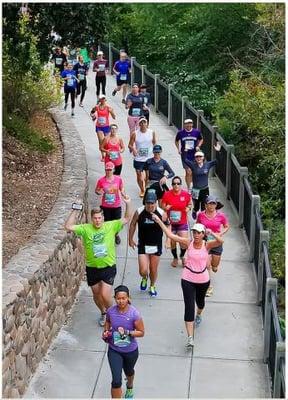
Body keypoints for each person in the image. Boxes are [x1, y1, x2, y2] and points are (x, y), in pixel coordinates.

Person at [152, 217, 223, 348]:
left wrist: (211, 232)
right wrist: (158, 221)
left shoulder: (207, 245)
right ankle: (190, 338)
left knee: (200, 302)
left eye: (199, 233)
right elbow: (170, 235)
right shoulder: (188, 242)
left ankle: (199, 313)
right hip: (187, 279)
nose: (196, 235)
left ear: (203, 234)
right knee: (189, 306)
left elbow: (220, 241)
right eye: (194, 232)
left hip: (203, 280)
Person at [64, 199, 132, 327]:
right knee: (96, 294)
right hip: (92, 267)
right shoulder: (85, 229)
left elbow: (127, 218)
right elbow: (68, 226)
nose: (97, 220)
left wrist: (128, 203)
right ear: (91, 219)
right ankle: (103, 313)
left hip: (108, 266)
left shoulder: (110, 226)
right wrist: (75, 209)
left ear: (103, 218)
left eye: (100, 218)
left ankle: (114, 315)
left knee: (105, 294)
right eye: (95, 218)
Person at [102, 285, 144, 399]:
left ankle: (129, 386)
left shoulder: (134, 314)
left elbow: (141, 332)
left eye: (123, 298)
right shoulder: (111, 311)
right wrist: (106, 331)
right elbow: (108, 322)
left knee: (129, 371)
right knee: (116, 380)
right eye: (118, 298)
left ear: (128, 298)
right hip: (114, 350)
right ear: (115, 298)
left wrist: (127, 332)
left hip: (130, 351)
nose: (121, 301)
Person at [129, 190, 169, 297]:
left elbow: (168, 226)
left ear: (156, 202)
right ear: (144, 203)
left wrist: (168, 240)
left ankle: (152, 285)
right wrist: (130, 239)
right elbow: (132, 224)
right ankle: (144, 277)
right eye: (148, 203)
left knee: (153, 269)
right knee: (143, 270)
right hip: (143, 244)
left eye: (152, 203)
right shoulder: (139, 211)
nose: (150, 205)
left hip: (156, 245)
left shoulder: (161, 213)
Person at [197, 195, 229, 297]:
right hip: (205, 243)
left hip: (216, 242)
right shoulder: (201, 215)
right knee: (207, 266)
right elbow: (198, 226)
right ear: (205, 205)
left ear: (216, 205)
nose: (211, 205)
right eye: (209, 203)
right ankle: (208, 287)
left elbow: (227, 226)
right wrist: (201, 233)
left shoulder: (221, 216)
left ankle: (214, 266)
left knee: (214, 266)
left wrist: (220, 234)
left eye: (213, 203)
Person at [95, 161, 129, 245]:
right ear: (105, 170)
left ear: (113, 170)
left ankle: (116, 235)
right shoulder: (101, 180)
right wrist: (99, 192)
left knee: (117, 222)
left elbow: (122, 188)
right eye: (107, 170)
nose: (108, 171)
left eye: (110, 170)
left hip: (116, 205)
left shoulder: (118, 179)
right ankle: (108, 237)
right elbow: (97, 190)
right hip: (105, 206)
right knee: (106, 222)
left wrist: (124, 195)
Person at [162, 176, 192, 267]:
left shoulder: (185, 195)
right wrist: (165, 208)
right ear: (172, 185)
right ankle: (175, 258)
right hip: (171, 224)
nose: (176, 185)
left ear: (180, 184)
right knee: (173, 243)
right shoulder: (167, 194)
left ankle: (182, 256)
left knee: (183, 243)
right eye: (174, 183)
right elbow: (163, 205)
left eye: (178, 183)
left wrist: (188, 208)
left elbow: (190, 204)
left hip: (182, 222)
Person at [184, 149, 220, 219]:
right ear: (195, 158)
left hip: (204, 189)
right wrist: (185, 151)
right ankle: (194, 211)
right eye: (197, 157)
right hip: (195, 190)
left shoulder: (207, 165)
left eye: (200, 156)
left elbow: (216, 161)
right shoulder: (193, 165)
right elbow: (185, 159)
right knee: (196, 206)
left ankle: (202, 220)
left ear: (203, 157)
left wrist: (218, 151)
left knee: (204, 207)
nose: (198, 158)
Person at [128, 116, 156, 197]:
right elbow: (130, 145)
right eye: (141, 123)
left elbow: (154, 143)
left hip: (149, 157)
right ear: (139, 124)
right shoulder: (135, 133)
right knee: (139, 174)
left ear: (147, 124)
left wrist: (156, 153)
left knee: (147, 176)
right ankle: (142, 190)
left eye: (144, 122)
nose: (143, 124)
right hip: (138, 158)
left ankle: (146, 187)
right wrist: (133, 149)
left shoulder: (152, 132)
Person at [175, 119, 203, 190]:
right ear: (184, 125)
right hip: (185, 154)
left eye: (190, 123)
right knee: (188, 171)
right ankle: (189, 188)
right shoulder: (180, 133)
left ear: (192, 124)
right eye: (187, 123)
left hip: (195, 155)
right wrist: (178, 149)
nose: (188, 125)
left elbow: (201, 139)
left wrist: (198, 146)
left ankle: (194, 185)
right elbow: (176, 141)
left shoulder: (196, 132)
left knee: (194, 171)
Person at [90, 95, 116, 160]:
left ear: (105, 100)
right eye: (101, 99)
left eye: (104, 99)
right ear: (100, 100)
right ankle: (103, 156)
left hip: (106, 126)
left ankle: (108, 153)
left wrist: (111, 112)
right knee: (101, 141)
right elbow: (91, 112)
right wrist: (93, 117)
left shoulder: (108, 107)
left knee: (107, 141)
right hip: (99, 126)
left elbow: (114, 117)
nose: (103, 100)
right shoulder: (97, 107)